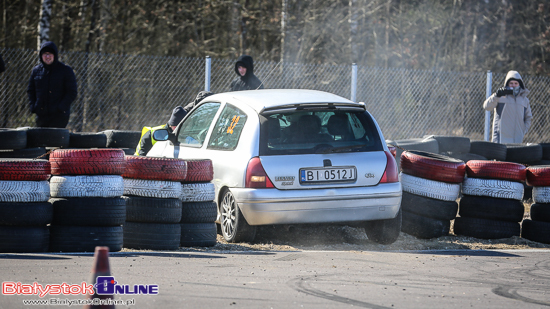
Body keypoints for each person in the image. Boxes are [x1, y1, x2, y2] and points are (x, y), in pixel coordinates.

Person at [27, 41, 77, 128]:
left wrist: (61, 107)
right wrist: (34, 106)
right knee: (41, 140)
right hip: (41, 115)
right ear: (41, 56)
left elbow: (72, 92)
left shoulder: (65, 70)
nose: (47, 56)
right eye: (45, 54)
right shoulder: (36, 71)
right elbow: (31, 90)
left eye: (50, 54)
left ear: (55, 55)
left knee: (55, 140)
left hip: (59, 116)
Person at [483, 70, 532, 144]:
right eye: (511, 83)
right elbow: (487, 107)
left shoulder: (524, 100)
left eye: (516, 83)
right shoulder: (500, 96)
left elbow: (528, 118)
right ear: (507, 84)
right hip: (500, 139)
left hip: (517, 140)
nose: (513, 85)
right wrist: (496, 95)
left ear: (520, 84)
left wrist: (523, 130)